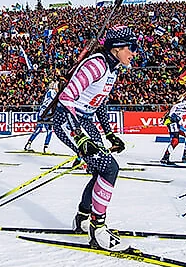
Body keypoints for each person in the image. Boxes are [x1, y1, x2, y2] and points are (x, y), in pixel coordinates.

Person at [52, 26, 136, 251]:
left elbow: (100, 102)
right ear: (116, 48)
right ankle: (98, 230)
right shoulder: (96, 65)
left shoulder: (113, 68)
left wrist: (109, 134)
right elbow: (66, 98)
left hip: (85, 120)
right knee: (110, 168)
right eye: (130, 47)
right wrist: (79, 137)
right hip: (68, 119)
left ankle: (82, 218)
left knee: (102, 170)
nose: (133, 53)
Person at [160, 93, 186, 164]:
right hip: (173, 122)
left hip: (176, 122)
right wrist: (169, 117)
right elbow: (175, 106)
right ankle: (165, 158)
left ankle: (185, 156)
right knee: (175, 140)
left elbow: (177, 108)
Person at [24, 81, 58, 153]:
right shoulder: (51, 91)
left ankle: (29, 144)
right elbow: (55, 100)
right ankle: (44, 147)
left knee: (43, 129)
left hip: (44, 112)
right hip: (45, 112)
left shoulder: (50, 92)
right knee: (46, 130)